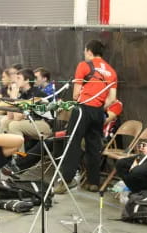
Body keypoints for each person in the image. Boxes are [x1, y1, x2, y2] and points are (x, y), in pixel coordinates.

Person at [55, 39, 117, 194]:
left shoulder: (84, 65)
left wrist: (83, 103)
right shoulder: (112, 71)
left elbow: (76, 94)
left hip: (83, 108)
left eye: (85, 51)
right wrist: (99, 107)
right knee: (94, 146)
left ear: (89, 51)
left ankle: (66, 181)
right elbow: (112, 99)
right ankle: (93, 182)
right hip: (98, 112)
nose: (84, 54)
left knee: (72, 142)